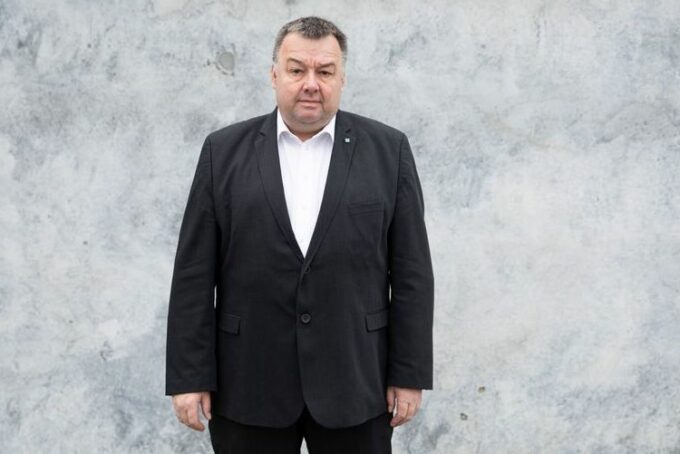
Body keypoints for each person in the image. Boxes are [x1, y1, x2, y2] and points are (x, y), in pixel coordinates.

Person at [165, 16, 435, 454]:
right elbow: (194, 274)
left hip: (357, 381)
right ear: (275, 75)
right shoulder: (222, 151)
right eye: (297, 70)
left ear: (342, 79)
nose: (311, 83)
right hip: (247, 382)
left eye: (325, 71)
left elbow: (412, 274)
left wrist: (408, 373)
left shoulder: (389, 151)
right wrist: (189, 376)